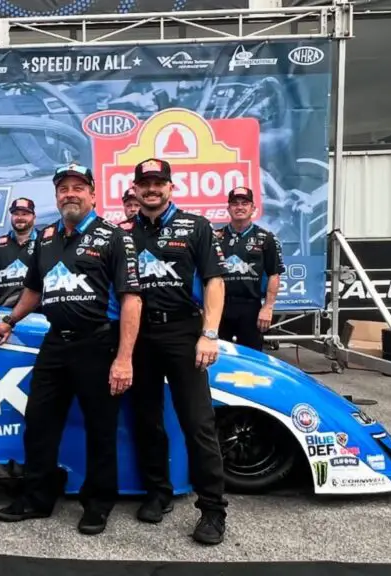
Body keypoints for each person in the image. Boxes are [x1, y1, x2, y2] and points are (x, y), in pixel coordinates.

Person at [0, 164, 142, 535]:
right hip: (56, 343)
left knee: (100, 429)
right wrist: (9, 322)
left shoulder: (114, 237)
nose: (70, 193)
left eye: (78, 187)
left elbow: (132, 300)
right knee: (39, 423)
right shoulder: (47, 236)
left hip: (99, 343)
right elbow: (35, 290)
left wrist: (124, 358)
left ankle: (98, 504)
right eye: (63, 189)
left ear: (92, 194)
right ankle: (37, 498)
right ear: (56, 196)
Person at [127, 158, 229, 546]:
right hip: (139, 336)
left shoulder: (196, 227)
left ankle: (213, 510)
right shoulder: (122, 234)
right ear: (135, 189)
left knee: (198, 423)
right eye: (145, 184)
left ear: (170, 187)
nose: (151, 190)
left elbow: (215, 282)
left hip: (185, 332)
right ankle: (158, 492)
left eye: (158, 183)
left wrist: (210, 333)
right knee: (147, 420)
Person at [216, 187, 285, 351]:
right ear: (228, 208)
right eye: (234, 203)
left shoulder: (265, 238)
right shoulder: (215, 237)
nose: (239, 207)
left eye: (244, 203)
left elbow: (274, 275)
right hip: (219, 305)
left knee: (252, 356)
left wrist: (268, 308)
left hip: (250, 307)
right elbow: (205, 275)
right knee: (217, 355)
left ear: (253, 208)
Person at [0, 198, 38, 308]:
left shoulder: (44, 242)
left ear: (34, 217)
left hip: (36, 308)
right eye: (16, 214)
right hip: (4, 307)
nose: (20, 218)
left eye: (25, 214)